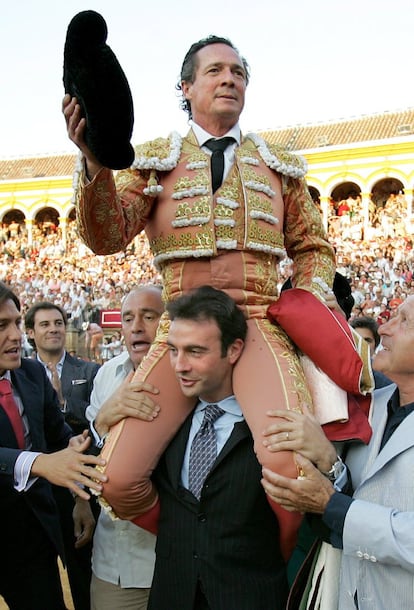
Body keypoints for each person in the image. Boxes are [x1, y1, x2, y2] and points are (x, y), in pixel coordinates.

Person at [63, 33, 342, 558]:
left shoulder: (279, 165)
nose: (229, 79)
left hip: (257, 322)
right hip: (181, 329)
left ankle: (262, 568)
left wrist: (305, 304)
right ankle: (197, 546)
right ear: (186, 87)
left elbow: (313, 247)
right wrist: (94, 164)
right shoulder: (153, 161)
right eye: (215, 70)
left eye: (238, 72)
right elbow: (103, 237)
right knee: (118, 479)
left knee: (291, 466)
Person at [134, 285, 289, 609]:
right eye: (174, 350)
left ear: (233, 350)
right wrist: (103, 423)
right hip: (172, 595)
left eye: (195, 351)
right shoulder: (160, 422)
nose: (179, 365)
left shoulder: (272, 426)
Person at [261, 295, 414, 609]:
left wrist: (331, 505)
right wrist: (330, 463)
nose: (384, 328)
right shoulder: (371, 406)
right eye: (392, 316)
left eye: (405, 321)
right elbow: (360, 499)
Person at [0, 282, 106, 610]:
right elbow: (46, 460)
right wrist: (35, 463)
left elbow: (62, 443)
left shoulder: (31, 375)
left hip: (31, 537)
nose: (16, 335)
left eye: (17, 322)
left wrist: (80, 500)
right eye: (2, 326)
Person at [86, 285, 163, 610]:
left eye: (149, 316)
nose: (136, 327)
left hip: (172, 562)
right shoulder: (107, 375)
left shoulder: (194, 377)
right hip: (113, 567)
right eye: (128, 317)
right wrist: (103, 423)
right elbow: (89, 453)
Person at [25, 300, 101, 610]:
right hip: (37, 488)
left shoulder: (90, 369)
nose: (53, 329)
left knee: (83, 569)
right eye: (44, 324)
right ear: (31, 333)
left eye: (58, 322)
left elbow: (96, 424)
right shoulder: (23, 375)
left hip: (80, 485)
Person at [350, 315, 392, 388]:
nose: (362, 345)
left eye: (367, 340)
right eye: (357, 340)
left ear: (375, 345)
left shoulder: (387, 383)